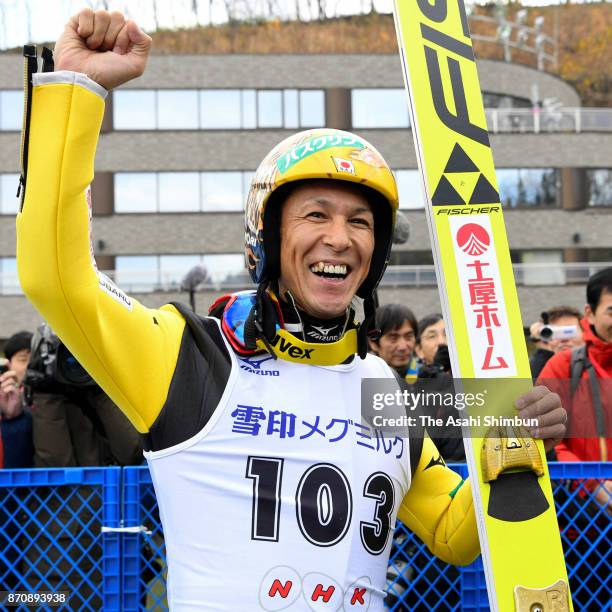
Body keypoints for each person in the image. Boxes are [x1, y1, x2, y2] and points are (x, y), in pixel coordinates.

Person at [16, 9, 567, 609]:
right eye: (316, 214)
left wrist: (514, 441)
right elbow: (56, 278)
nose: (340, 237)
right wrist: (78, 90)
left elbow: (453, 534)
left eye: (360, 223)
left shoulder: (378, 388)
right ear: (268, 238)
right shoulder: (189, 356)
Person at [0, 331, 34, 468]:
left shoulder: (50, 400)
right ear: (8, 364)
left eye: (34, 360)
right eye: (22, 359)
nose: (29, 366)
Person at [529, 306, 584, 380]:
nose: (564, 339)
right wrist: (543, 350)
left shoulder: (598, 365)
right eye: (556, 333)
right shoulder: (536, 365)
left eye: (569, 332)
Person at [368, 303, 419, 382]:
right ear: (373, 343)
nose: (403, 347)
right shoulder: (362, 379)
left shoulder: (429, 375)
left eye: (408, 337)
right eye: (393, 338)